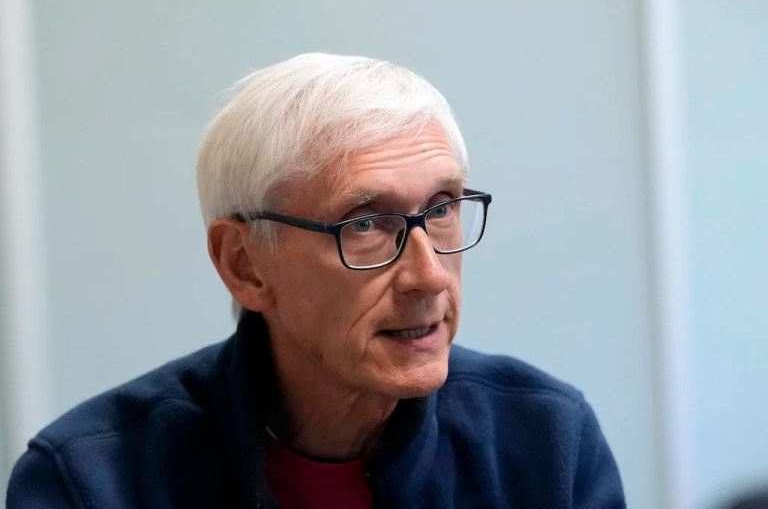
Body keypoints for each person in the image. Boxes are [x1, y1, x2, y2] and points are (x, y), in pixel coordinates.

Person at [6, 53, 625, 508]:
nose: (428, 275)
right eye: (364, 223)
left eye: (440, 208)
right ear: (245, 265)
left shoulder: (546, 441)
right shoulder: (90, 482)